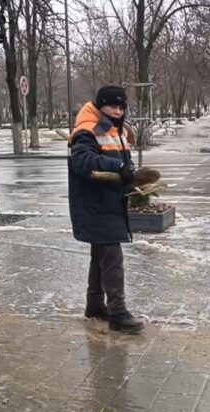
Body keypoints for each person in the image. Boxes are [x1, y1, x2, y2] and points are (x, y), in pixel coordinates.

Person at [68, 85, 145, 335]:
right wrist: (118, 165)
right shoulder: (88, 130)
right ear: (100, 105)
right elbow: (82, 162)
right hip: (95, 206)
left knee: (100, 258)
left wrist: (131, 179)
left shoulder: (113, 129)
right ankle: (118, 313)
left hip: (108, 204)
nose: (117, 110)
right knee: (112, 259)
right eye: (112, 105)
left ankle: (94, 306)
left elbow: (122, 163)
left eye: (121, 106)